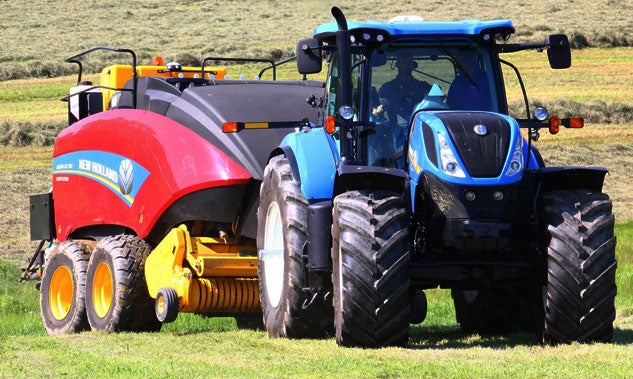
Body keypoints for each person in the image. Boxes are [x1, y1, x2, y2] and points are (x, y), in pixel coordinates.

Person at [376, 52, 431, 124]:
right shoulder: (387, 88)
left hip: (420, 126)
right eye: (404, 63)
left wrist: (437, 92)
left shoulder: (422, 86)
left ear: (413, 65)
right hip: (395, 129)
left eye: (409, 63)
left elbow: (438, 98)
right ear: (397, 65)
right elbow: (376, 110)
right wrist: (379, 110)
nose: (407, 66)